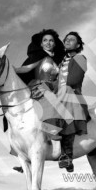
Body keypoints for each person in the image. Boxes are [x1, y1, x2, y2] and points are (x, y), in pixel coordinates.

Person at [45, 32, 90, 172]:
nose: (68, 41)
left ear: (78, 45)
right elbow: (55, 83)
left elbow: (73, 80)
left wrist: (56, 84)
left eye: (72, 40)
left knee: (64, 100)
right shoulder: (61, 61)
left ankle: (67, 155)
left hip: (73, 95)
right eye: (66, 40)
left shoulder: (80, 58)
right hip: (60, 93)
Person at [16, 29, 67, 139]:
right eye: (45, 40)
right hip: (39, 86)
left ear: (55, 43)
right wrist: (13, 69)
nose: (48, 43)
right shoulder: (38, 56)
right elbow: (26, 68)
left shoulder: (60, 59)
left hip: (55, 87)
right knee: (48, 98)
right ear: (41, 43)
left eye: (51, 41)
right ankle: (51, 131)